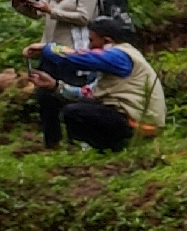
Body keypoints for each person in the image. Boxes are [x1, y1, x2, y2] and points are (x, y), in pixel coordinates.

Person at [26, 39, 166, 150]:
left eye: (92, 40)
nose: (90, 45)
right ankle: (106, 146)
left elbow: (76, 58)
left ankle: (114, 146)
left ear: (106, 40)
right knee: (63, 102)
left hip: (140, 123)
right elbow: (86, 93)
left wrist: (48, 48)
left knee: (75, 112)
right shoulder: (118, 59)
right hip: (128, 117)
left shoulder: (119, 56)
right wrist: (54, 85)